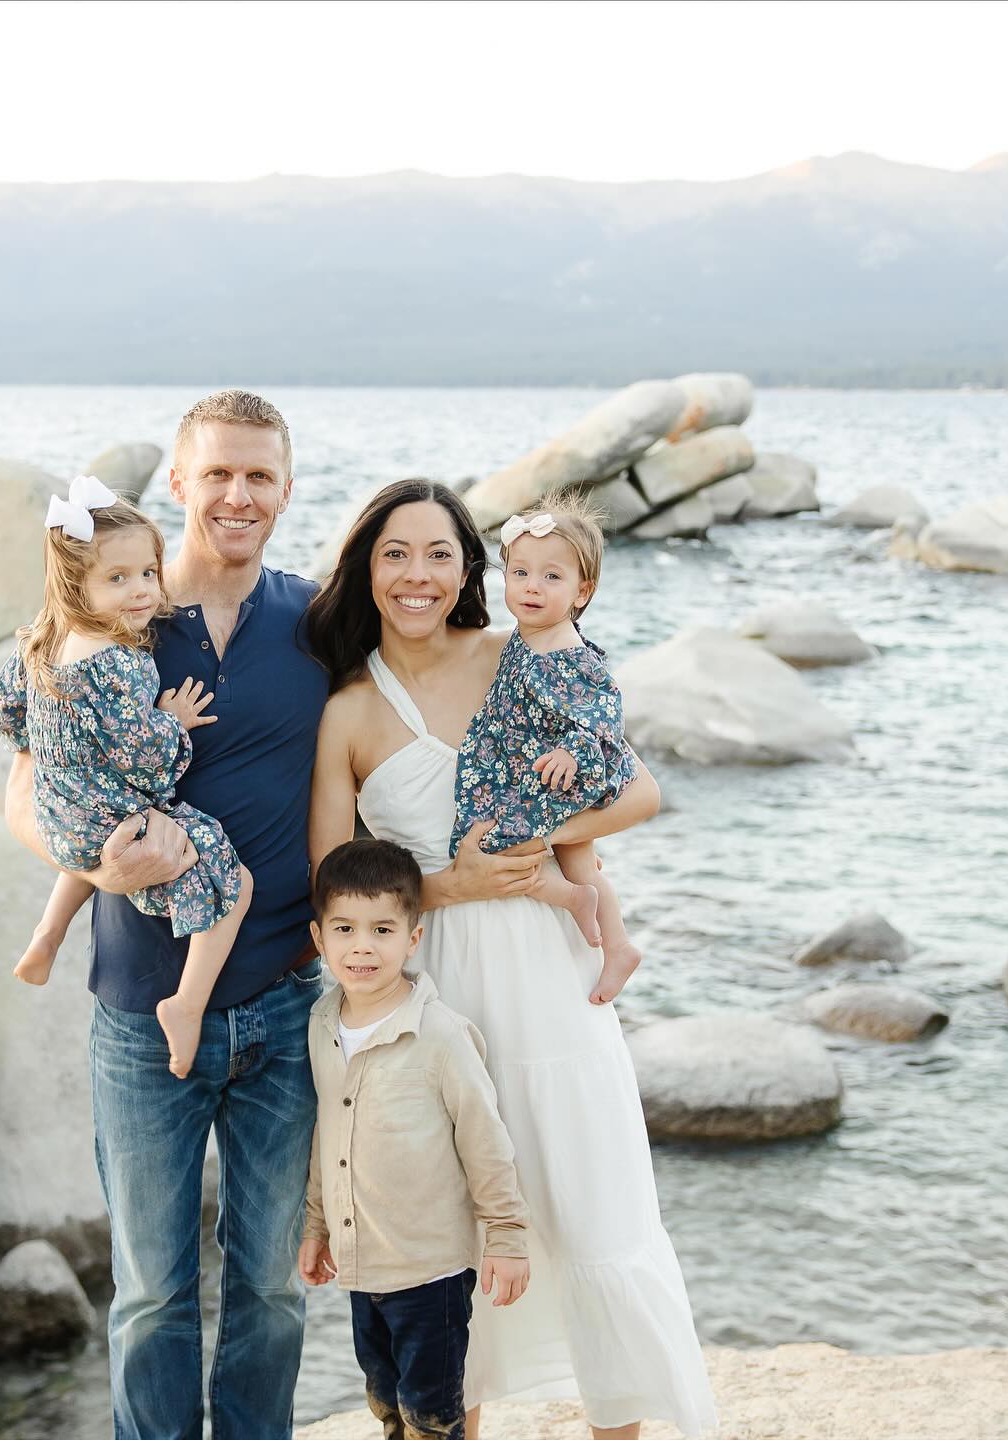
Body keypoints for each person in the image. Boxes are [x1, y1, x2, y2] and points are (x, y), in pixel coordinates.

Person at [306, 478, 717, 1440]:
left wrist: (532, 842)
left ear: (468, 569)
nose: (417, 575)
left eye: (439, 553)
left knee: (589, 1195)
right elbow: (330, 876)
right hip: (435, 976)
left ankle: (625, 1422)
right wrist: (447, 885)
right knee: (449, 1220)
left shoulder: (518, 656)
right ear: (369, 567)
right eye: (396, 553)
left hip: (547, 966)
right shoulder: (350, 711)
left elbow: (640, 791)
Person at [1, 391, 329, 1440]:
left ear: (285, 490)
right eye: (218, 473)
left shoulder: (316, 621)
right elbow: (23, 780)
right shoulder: (110, 619)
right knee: (150, 1294)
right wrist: (86, 859)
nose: (239, 495)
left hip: (285, 1005)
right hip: (140, 1014)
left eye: (260, 476)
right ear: (179, 484)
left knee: (272, 1292)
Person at [0, 476, 252, 1078]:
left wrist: (53, 751)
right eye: (117, 578)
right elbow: (146, 761)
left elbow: (0, 709)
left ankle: (48, 937)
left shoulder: (41, 643)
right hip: (112, 819)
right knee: (236, 884)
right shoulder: (123, 664)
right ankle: (187, 1003)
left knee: (91, 852)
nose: (140, 591)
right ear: (77, 586)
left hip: (61, 818)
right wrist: (172, 721)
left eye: (148, 574)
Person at [299, 837, 530, 1440]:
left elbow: (485, 1141)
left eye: (382, 929)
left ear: (413, 937)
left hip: (430, 1270)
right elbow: (328, 1135)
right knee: (384, 1400)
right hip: (361, 1263)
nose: (363, 946)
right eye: (345, 928)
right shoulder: (323, 1023)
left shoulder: (440, 1036)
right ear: (319, 938)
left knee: (432, 1412)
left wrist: (505, 1234)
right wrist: (316, 1227)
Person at [451, 494, 642, 1005]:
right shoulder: (524, 636)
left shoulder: (567, 651)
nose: (532, 587)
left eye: (552, 578)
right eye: (520, 573)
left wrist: (575, 752)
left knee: (497, 844)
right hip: (529, 766)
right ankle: (615, 941)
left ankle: (580, 907)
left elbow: (603, 708)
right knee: (580, 859)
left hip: (558, 772)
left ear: (583, 592)